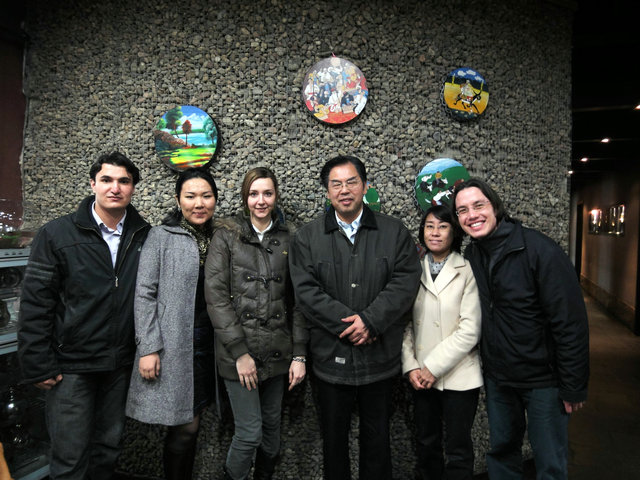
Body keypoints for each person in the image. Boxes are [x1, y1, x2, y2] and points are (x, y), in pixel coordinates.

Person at [17, 152, 150, 480]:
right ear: (92, 184)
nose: (115, 188)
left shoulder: (144, 235)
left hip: (119, 365)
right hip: (71, 368)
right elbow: (35, 302)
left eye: (124, 181)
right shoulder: (56, 234)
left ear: (133, 188)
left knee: (107, 451)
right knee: (70, 458)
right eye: (106, 180)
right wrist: (37, 362)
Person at [289, 155, 422, 480]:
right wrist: (351, 324)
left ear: (365, 186)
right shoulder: (307, 237)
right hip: (330, 361)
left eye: (351, 182)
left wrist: (371, 321)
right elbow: (306, 291)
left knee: (378, 442)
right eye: (336, 184)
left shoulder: (394, 232)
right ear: (327, 191)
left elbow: (406, 281)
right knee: (333, 444)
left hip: (380, 359)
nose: (344, 190)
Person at [451, 177, 589, 479]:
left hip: (544, 381)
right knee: (502, 454)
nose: (471, 215)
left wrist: (574, 384)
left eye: (478, 205)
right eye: (462, 210)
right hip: (499, 378)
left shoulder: (540, 250)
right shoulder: (473, 255)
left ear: (495, 206)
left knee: (550, 461)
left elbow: (570, 322)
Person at [204, 167, 307, 480]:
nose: (261, 201)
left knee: (272, 432)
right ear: (245, 197)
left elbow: (299, 300)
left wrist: (300, 354)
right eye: (253, 194)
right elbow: (216, 298)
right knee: (249, 433)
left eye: (267, 193)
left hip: (278, 351)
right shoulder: (226, 235)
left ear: (276, 197)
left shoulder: (290, 237)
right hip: (238, 354)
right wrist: (239, 352)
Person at [125, 168, 219, 480]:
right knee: (185, 426)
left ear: (215, 199)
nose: (199, 203)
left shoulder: (221, 237)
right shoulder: (161, 236)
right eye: (190, 196)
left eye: (206, 196)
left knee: (194, 421)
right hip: (175, 344)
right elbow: (144, 293)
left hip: (210, 344)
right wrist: (149, 348)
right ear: (178, 200)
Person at [402, 204, 482, 480]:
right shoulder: (412, 270)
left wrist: (433, 367)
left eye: (443, 226)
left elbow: (470, 330)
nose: (435, 232)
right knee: (426, 444)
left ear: (454, 232)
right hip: (420, 377)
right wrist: (411, 366)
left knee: (458, 448)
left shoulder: (467, 270)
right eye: (429, 226)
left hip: (459, 375)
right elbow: (404, 324)